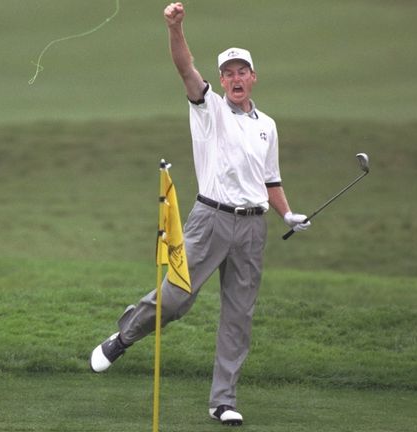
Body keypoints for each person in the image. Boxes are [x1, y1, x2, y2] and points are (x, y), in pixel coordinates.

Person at [89, 2, 311, 426]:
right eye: (228, 72)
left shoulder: (268, 124)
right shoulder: (207, 107)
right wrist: (176, 27)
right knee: (175, 300)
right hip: (210, 220)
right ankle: (124, 336)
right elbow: (185, 67)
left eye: (241, 71)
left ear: (253, 76)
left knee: (238, 316)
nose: (234, 78)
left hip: (252, 227)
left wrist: (286, 215)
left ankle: (222, 401)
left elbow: (271, 179)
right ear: (222, 80)